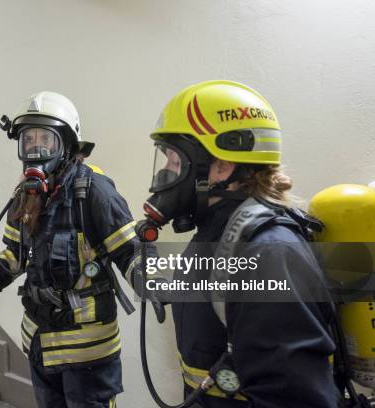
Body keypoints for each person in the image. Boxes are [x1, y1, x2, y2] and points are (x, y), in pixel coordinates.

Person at [138, 80, 337, 407]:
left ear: (222, 166)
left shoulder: (269, 253)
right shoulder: (217, 232)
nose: (166, 173)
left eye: (175, 161)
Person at [0, 91, 164, 408]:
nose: (35, 149)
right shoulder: (25, 195)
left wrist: (147, 278)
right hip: (39, 345)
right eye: (28, 141)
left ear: (68, 145)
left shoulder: (95, 191)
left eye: (46, 140)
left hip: (88, 355)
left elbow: (129, 251)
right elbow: (13, 257)